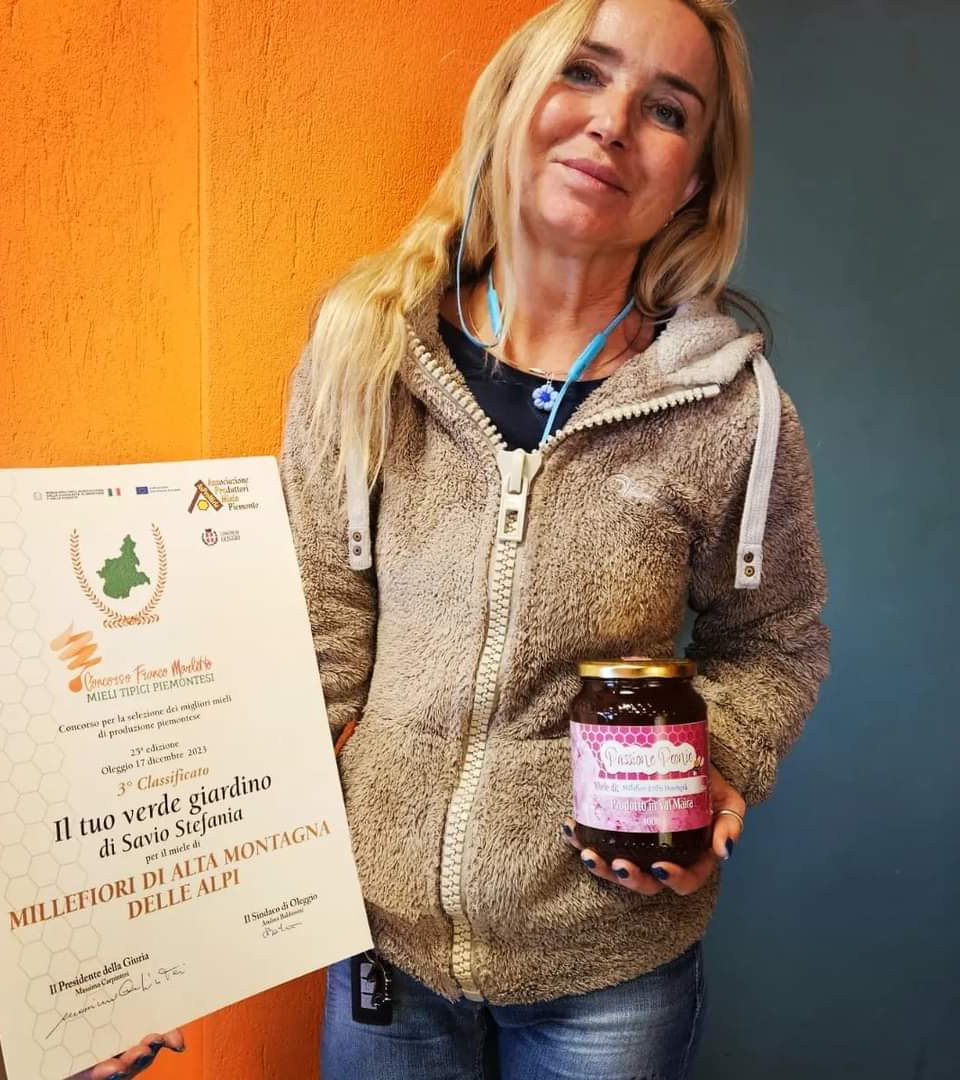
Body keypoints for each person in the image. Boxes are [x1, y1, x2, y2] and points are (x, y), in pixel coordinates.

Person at [79, 0, 829, 1076]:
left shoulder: (733, 413)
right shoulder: (367, 353)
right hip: (383, 960)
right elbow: (308, 653)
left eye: (668, 109)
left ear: (697, 180)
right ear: (513, 97)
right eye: (584, 72)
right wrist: (145, 956)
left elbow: (776, 640)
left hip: (611, 973)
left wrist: (718, 765)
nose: (612, 121)